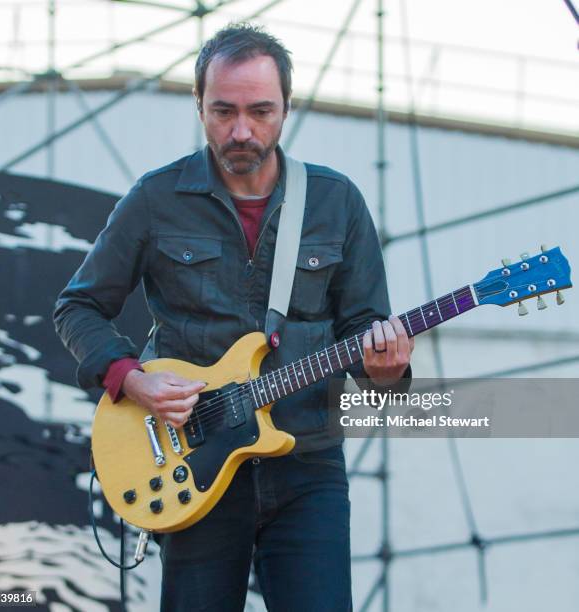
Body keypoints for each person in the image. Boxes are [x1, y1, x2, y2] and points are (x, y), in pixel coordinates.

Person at [54, 22, 413, 612]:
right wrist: (134, 381)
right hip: (193, 463)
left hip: (308, 464)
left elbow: (366, 341)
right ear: (198, 104)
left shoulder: (337, 201)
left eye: (261, 112)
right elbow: (79, 306)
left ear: (287, 109)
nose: (242, 130)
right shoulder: (155, 198)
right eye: (223, 111)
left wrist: (388, 369)